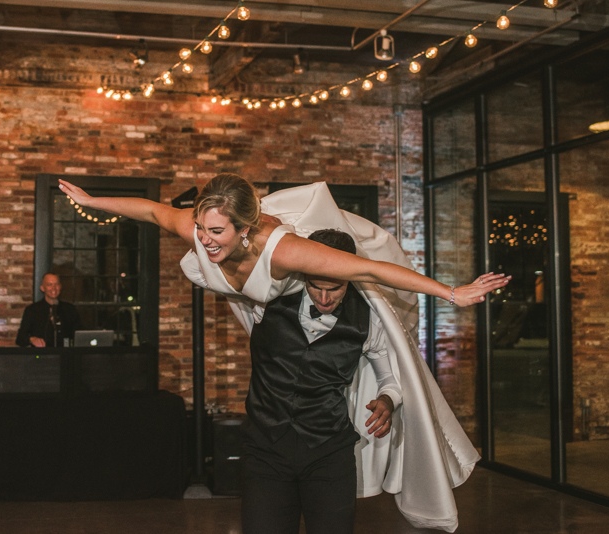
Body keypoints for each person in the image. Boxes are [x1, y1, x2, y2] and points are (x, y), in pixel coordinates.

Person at [58, 174, 509, 531]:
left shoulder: (286, 252)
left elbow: (369, 267)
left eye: (216, 231)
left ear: (245, 228)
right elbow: (153, 212)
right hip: (266, 438)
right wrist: (93, 202)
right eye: (200, 228)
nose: (204, 240)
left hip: (324, 442)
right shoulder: (198, 232)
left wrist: (450, 293)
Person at [242, 229, 400, 534]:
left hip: (329, 453)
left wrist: (387, 401)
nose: (325, 298)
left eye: (336, 288)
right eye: (316, 287)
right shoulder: (263, 302)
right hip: (265, 450)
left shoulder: (370, 320)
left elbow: (390, 379)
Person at [16, 273, 81, 348]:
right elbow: (20, 339)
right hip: (42, 356)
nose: (53, 288)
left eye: (56, 284)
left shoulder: (70, 309)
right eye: (49, 285)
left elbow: (79, 334)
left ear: (60, 287)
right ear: (42, 288)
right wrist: (31, 339)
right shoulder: (32, 310)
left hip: (65, 356)